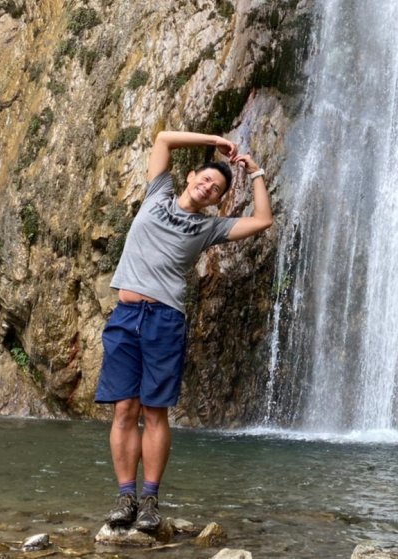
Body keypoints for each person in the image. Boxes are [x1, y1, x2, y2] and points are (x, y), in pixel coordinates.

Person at [94, 130, 273, 532]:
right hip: (125, 316)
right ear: (191, 176)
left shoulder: (208, 229)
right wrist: (215, 141)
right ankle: (125, 497)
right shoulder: (157, 193)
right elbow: (163, 139)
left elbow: (263, 219)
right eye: (206, 179)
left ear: (217, 201)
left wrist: (256, 172)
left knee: (155, 411)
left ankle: (151, 500)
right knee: (125, 410)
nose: (209, 188)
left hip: (165, 320)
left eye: (217, 190)